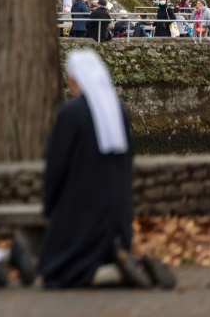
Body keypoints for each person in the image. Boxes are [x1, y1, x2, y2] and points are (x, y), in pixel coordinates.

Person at [39, 50, 175, 290]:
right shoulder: (119, 111)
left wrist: (50, 205)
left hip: (83, 217)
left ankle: (112, 274)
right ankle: (130, 265)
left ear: (73, 79)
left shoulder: (71, 114)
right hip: (117, 221)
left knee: (54, 272)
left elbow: (56, 167)